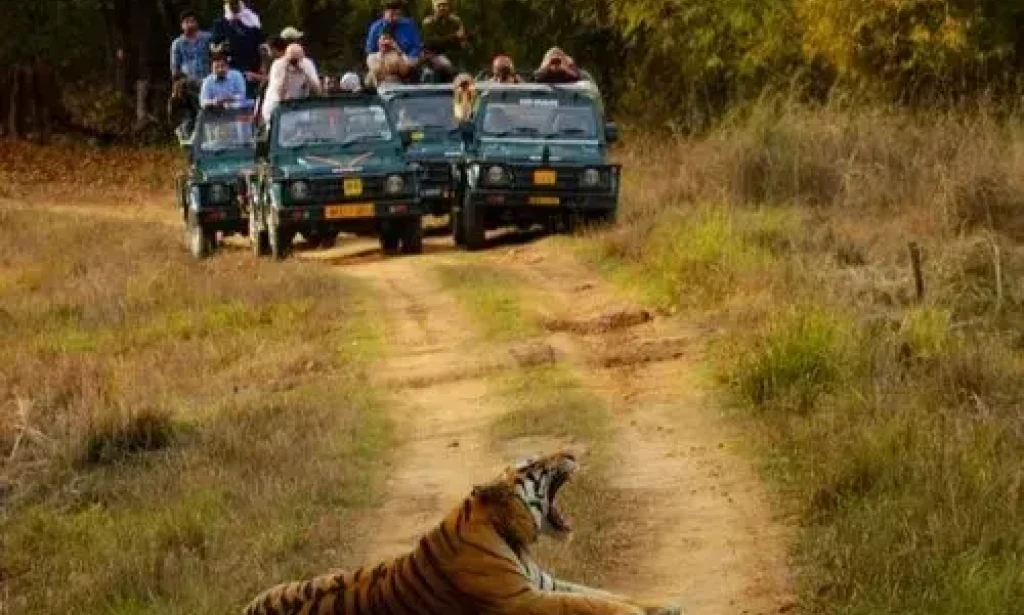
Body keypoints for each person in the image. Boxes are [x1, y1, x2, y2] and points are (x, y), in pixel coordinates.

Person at [168, 10, 212, 137]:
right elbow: (175, 68)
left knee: (206, 112)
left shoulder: (207, 38)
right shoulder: (177, 43)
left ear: (197, 23)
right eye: (186, 22)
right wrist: (177, 86)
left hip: (206, 81)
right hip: (187, 85)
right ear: (182, 26)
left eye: (192, 21)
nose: (190, 24)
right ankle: (190, 140)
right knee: (188, 114)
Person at [211, 0, 265, 99]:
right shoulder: (220, 23)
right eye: (230, 2)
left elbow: (261, 45)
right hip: (230, 71)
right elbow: (214, 48)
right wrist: (221, 47)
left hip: (252, 70)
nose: (233, 5)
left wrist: (262, 67)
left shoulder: (252, 19)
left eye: (235, 2)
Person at [261, 43, 321, 124]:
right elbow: (280, 95)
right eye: (292, 60)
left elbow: (318, 91)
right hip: (277, 107)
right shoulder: (278, 65)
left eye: (297, 60)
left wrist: (305, 73)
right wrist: (285, 73)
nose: (294, 63)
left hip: (298, 108)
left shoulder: (307, 64)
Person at [421, 0, 466, 81]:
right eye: (439, 6)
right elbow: (432, 43)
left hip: (452, 54)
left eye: (444, 5)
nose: (442, 8)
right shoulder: (428, 22)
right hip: (433, 54)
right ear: (434, 7)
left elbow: (461, 41)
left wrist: (461, 40)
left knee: (462, 71)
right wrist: (454, 36)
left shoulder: (456, 21)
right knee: (447, 65)